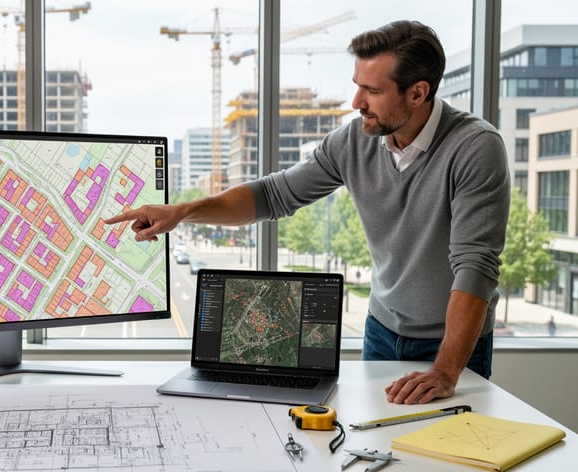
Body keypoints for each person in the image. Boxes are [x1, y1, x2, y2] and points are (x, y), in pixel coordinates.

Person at [105, 20, 510, 405]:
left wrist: (444, 372)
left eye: (371, 91)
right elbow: (273, 195)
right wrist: (183, 211)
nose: (356, 103)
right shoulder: (354, 140)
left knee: (449, 461)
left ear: (417, 93)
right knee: (382, 445)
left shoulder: (475, 147)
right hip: (382, 330)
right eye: (356, 86)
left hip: (454, 344)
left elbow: (474, 266)